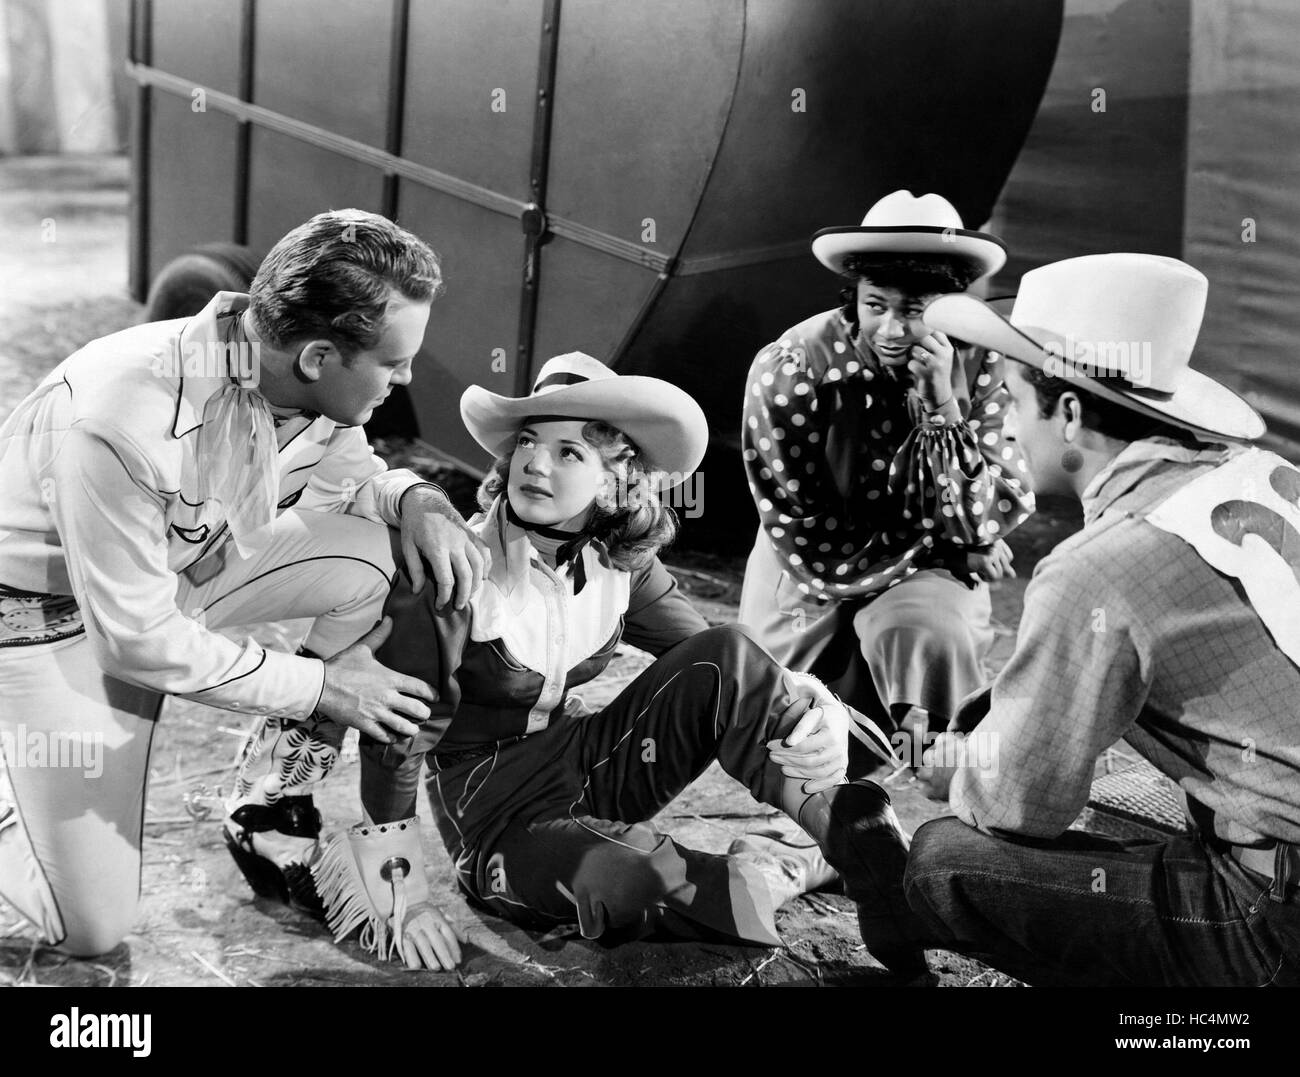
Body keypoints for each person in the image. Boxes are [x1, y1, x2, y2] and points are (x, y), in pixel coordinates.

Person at [310, 352, 927, 977]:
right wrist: (403, 896)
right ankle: (775, 867)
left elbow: (723, 660)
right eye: (528, 441)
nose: (534, 463)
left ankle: (847, 838)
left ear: (614, 478)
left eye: (568, 452)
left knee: (728, 654)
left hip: (590, 759)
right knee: (634, 878)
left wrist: (810, 699)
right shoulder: (451, 573)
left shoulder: (619, 562)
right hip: (494, 813)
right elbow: (394, 740)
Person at [0, 209, 487, 956]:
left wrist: (415, 498)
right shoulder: (120, 418)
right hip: (45, 623)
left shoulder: (290, 369)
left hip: (172, 578)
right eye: (393, 363)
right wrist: (323, 686)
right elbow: (136, 641)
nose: (407, 377)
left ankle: (270, 795)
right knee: (91, 928)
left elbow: (352, 478)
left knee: (386, 560)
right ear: (321, 356)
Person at [904, 252, 1300, 987]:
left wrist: (953, 768)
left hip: (1281, 918)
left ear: (1071, 413)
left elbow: (1018, 805)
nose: (1011, 428)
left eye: (1017, 402)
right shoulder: (1258, 472)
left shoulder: (1102, 563)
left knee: (943, 861)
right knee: (1130, 810)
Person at [737, 190, 1034, 745]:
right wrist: (949, 546)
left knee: (933, 632)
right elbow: (800, 519)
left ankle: (941, 774)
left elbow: (989, 512)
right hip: (812, 562)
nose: (893, 330)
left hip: (929, 556)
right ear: (855, 296)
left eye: (916, 311)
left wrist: (943, 407)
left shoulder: (982, 359)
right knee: (787, 712)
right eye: (876, 306)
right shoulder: (795, 364)